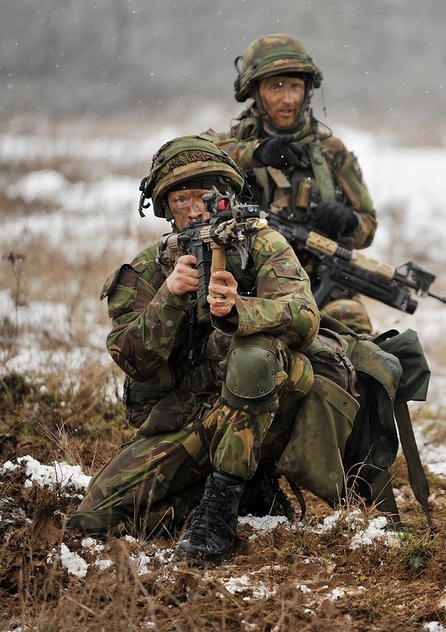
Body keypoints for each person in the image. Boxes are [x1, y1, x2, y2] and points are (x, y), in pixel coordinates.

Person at [68, 135, 321, 564]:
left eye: (204, 196)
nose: (194, 209)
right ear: (166, 207)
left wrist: (242, 311)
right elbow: (132, 359)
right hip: (191, 416)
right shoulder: (151, 268)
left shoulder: (261, 244)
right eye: (180, 199)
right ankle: (241, 491)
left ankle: (221, 510)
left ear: (225, 196)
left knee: (253, 356)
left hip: (268, 404)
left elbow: (304, 318)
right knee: (95, 519)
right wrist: (169, 296)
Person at [203, 33, 378, 335]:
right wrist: (256, 152)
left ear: (307, 90)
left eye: (295, 86)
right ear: (255, 91)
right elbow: (192, 156)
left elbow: (368, 227)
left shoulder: (331, 151)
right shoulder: (230, 144)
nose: (288, 99)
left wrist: (348, 222)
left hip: (321, 285)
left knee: (354, 327)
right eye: (276, 87)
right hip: (247, 286)